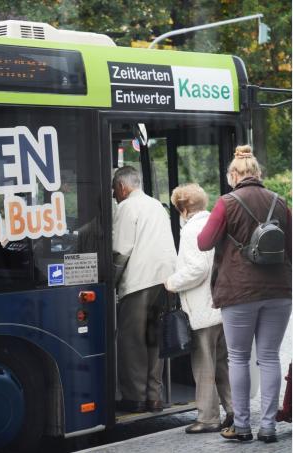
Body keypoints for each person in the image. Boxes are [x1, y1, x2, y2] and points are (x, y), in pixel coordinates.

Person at [197, 145, 292, 444]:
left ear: (236, 174)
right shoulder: (280, 201)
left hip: (239, 290)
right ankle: (268, 427)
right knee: (269, 357)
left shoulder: (227, 202)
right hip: (279, 290)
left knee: (238, 358)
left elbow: (204, 242)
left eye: (229, 175)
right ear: (259, 174)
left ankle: (241, 426)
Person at [165, 183, 234, 433]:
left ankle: (208, 418)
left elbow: (197, 269)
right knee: (223, 364)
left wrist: (172, 282)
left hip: (203, 309)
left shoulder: (190, 230)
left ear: (183, 209)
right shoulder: (214, 224)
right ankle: (234, 409)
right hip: (222, 305)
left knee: (203, 366)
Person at [112, 165, 177, 413]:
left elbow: (121, 250)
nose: (115, 196)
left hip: (140, 280)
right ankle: (154, 396)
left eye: (114, 190)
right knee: (153, 338)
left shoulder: (127, 206)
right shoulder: (155, 205)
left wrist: (111, 280)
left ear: (122, 186)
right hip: (164, 280)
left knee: (132, 340)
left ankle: (136, 396)